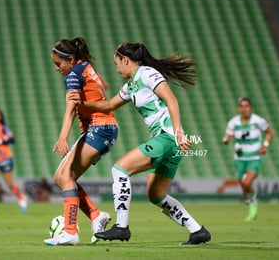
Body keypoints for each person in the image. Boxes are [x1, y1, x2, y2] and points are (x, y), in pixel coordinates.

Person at [69, 42, 211, 245]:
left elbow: (172, 100)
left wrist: (178, 132)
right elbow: (109, 105)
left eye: (117, 63)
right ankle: (197, 231)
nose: (116, 68)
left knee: (120, 169)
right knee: (156, 195)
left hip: (168, 137)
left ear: (126, 60)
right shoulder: (132, 85)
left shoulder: (147, 73)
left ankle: (122, 227)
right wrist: (81, 103)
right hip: (168, 143)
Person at [43, 37, 119, 246]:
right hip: (105, 129)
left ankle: (70, 232)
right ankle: (96, 215)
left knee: (66, 176)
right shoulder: (86, 67)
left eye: (59, 64)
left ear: (70, 59)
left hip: (100, 128)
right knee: (61, 177)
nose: (57, 69)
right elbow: (104, 85)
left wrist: (62, 138)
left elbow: (71, 109)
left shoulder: (73, 76)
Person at [223, 97, 273, 221]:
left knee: (246, 183)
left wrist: (265, 145)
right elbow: (229, 135)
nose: (244, 109)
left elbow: (269, 132)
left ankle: (253, 201)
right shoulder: (233, 122)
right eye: (242, 106)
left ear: (251, 108)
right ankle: (249, 202)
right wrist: (227, 139)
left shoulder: (258, 121)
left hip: (254, 156)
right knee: (242, 183)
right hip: (239, 157)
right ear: (238, 108)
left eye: (247, 106)